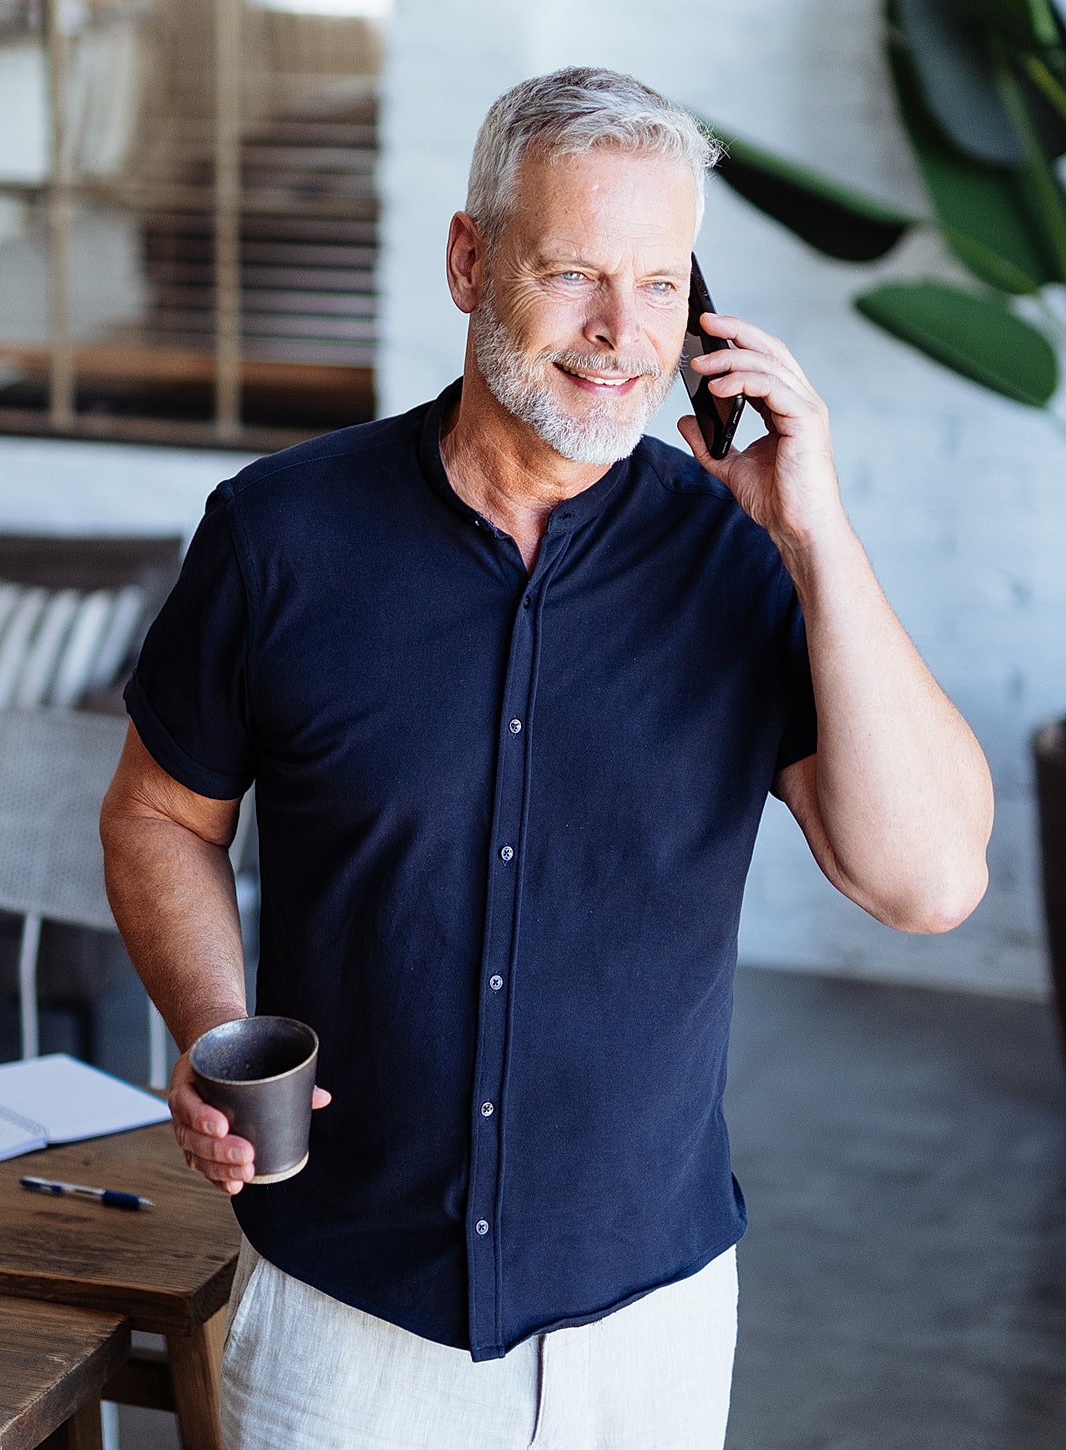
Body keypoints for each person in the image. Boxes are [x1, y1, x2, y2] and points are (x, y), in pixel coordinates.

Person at [101, 66, 993, 1450]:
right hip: (346, 1326)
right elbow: (159, 813)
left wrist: (814, 532)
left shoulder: (743, 560)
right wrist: (215, 1034)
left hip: (653, 1327)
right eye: (576, 272)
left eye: (656, 282)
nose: (618, 334)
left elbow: (927, 880)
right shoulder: (282, 534)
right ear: (470, 260)